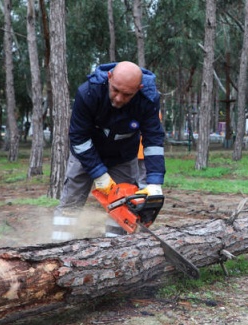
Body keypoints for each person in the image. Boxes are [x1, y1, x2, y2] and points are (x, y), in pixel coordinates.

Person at [52, 61, 165, 242]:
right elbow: (78, 138)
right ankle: (56, 245)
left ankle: (114, 249)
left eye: (127, 94)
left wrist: (155, 181)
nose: (119, 98)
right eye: (115, 90)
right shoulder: (88, 92)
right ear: (109, 78)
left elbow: (153, 140)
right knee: (71, 202)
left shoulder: (148, 99)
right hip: (86, 152)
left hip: (123, 156)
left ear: (139, 88)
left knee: (123, 205)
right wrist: (99, 174)